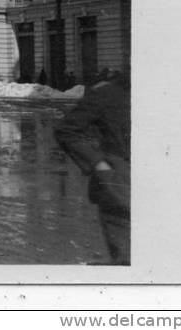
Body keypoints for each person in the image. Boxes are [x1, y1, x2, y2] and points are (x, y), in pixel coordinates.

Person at [54, 69, 131, 265]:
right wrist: (98, 163)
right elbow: (67, 130)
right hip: (119, 183)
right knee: (127, 260)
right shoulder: (107, 93)